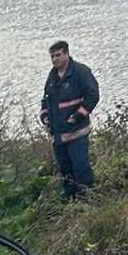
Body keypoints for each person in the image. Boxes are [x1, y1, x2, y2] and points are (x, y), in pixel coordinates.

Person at [39, 40, 100, 200]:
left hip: (77, 133)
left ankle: (89, 199)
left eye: (58, 55)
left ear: (66, 54)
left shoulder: (81, 72)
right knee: (65, 170)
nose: (54, 59)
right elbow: (45, 99)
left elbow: (93, 95)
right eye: (52, 56)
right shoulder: (52, 76)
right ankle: (71, 201)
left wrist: (77, 116)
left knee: (81, 167)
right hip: (58, 135)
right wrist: (44, 116)